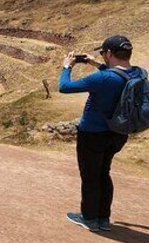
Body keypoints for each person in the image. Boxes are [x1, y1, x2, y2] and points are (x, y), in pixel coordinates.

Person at [59, 35, 143, 232]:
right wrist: (97, 63)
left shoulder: (103, 78)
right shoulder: (138, 73)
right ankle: (103, 218)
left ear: (110, 53)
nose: (102, 56)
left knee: (90, 176)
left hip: (93, 134)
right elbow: (116, 77)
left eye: (103, 53)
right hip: (118, 133)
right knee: (104, 173)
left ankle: (89, 218)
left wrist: (66, 67)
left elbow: (64, 87)